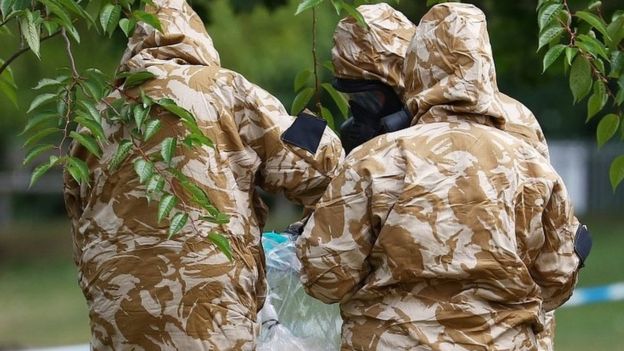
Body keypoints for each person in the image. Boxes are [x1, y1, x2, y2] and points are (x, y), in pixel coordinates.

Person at [296, 3, 591, 350]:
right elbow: (556, 277)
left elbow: (324, 275)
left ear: (413, 71)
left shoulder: (376, 160)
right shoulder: (530, 163)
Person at [63, 0, 343, 349]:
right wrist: (319, 127)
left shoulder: (97, 116)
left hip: (119, 311)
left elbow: (78, 213)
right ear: (197, 37)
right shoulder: (220, 88)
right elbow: (311, 164)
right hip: (210, 311)